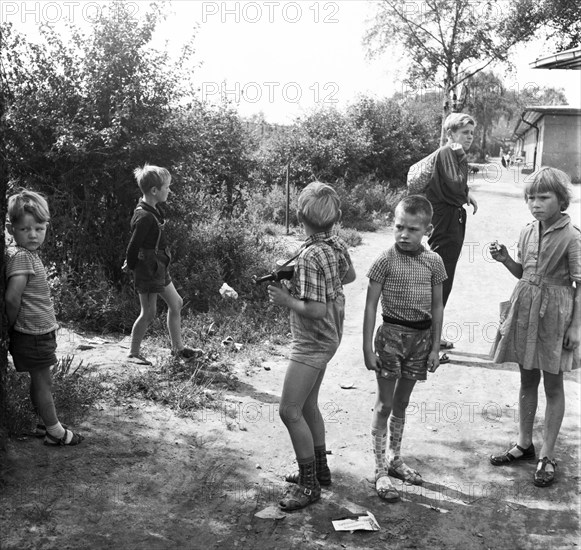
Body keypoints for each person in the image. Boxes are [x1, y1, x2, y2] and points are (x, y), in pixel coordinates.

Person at [267, 181, 356, 511]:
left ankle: (308, 486)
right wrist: (310, 277)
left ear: (299, 216)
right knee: (308, 406)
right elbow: (349, 277)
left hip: (312, 341)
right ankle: (320, 470)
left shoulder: (309, 256)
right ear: (337, 218)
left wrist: (287, 297)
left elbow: (315, 310)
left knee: (288, 410)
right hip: (331, 336)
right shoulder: (336, 244)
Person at [489, 167, 580, 487]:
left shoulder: (573, 236)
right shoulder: (527, 231)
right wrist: (505, 260)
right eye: (531, 198)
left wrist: (576, 328)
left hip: (556, 317)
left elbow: (580, 284)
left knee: (553, 386)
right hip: (526, 309)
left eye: (544, 197)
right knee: (527, 379)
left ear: (561, 199)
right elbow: (523, 273)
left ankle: (548, 454)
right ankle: (525, 445)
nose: (536, 204)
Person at [363, 195, 447, 501]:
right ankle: (378, 469)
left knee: (402, 403)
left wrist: (435, 347)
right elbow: (371, 306)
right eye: (399, 227)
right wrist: (366, 347)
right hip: (390, 338)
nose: (404, 234)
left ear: (427, 229)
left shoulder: (434, 262)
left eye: (412, 229)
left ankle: (394, 459)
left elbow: (437, 307)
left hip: (420, 340)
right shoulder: (385, 260)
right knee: (384, 404)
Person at [5, 190, 84, 446]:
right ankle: (55, 432)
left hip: (39, 331)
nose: (33, 234)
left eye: (39, 228)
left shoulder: (28, 256)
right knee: (43, 382)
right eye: (25, 229)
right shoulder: (22, 258)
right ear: (11, 229)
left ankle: (40, 422)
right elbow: (12, 298)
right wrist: (9, 324)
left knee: (41, 379)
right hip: (33, 333)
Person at [125, 164, 203, 364]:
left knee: (176, 303)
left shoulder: (152, 210)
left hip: (159, 267)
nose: (169, 190)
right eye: (167, 187)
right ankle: (133, 353)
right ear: (154, 190)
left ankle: (178, 349)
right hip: (149, 269)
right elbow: (133, 246)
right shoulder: (144, 216)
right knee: (149, 313)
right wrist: (132, 266)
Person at [425, 112, 478, 361]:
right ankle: (427, 341)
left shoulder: (451, 154)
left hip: (451, 219)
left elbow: (457, 187)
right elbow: (456, 185)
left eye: (471, 133)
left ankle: (431, 336)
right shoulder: (448, 153)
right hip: (444, 222)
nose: (469, 137)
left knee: (443, 279)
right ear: (451, 133)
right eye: (465, 132)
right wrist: (460, 156)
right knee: (440, 281)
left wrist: (466, 195)